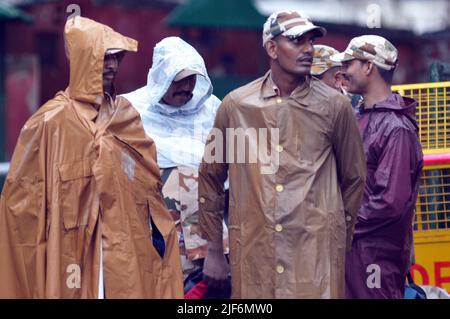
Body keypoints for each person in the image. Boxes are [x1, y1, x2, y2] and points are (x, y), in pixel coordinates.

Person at [0, 16, 183, 298]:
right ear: (84, 58)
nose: (111, 65)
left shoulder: (125, 116)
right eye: (103, 57)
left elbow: (147, 189)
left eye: (116, 58)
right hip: (71, 251)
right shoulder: (50, 122)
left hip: (122, 250)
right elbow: (22, 205)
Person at [198, 10, 366, 298]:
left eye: (311, 41)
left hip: (315, 260)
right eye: (297, 41)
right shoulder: (238, 107)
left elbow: (354, 178)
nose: (308, 49)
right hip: (255, 257)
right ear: (272, 48)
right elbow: (212, 178)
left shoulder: (334, 107)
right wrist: (214, 249)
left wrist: (336, 238)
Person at [122, 37, 229, 283]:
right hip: (149, 211)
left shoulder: (211, 108)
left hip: (205, 212)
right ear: (161, 79)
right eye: (178, 80)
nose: (186, 87)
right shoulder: (130, 109)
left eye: (191, 79)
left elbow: (227, 160)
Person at [331, 35, 423, 298]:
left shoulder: (396, 129)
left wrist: (337, 226)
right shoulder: (357, 117)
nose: (344, 71)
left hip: (375, 260)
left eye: (349, 63)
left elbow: (389, 202)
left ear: (368, 67)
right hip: (349, 253)